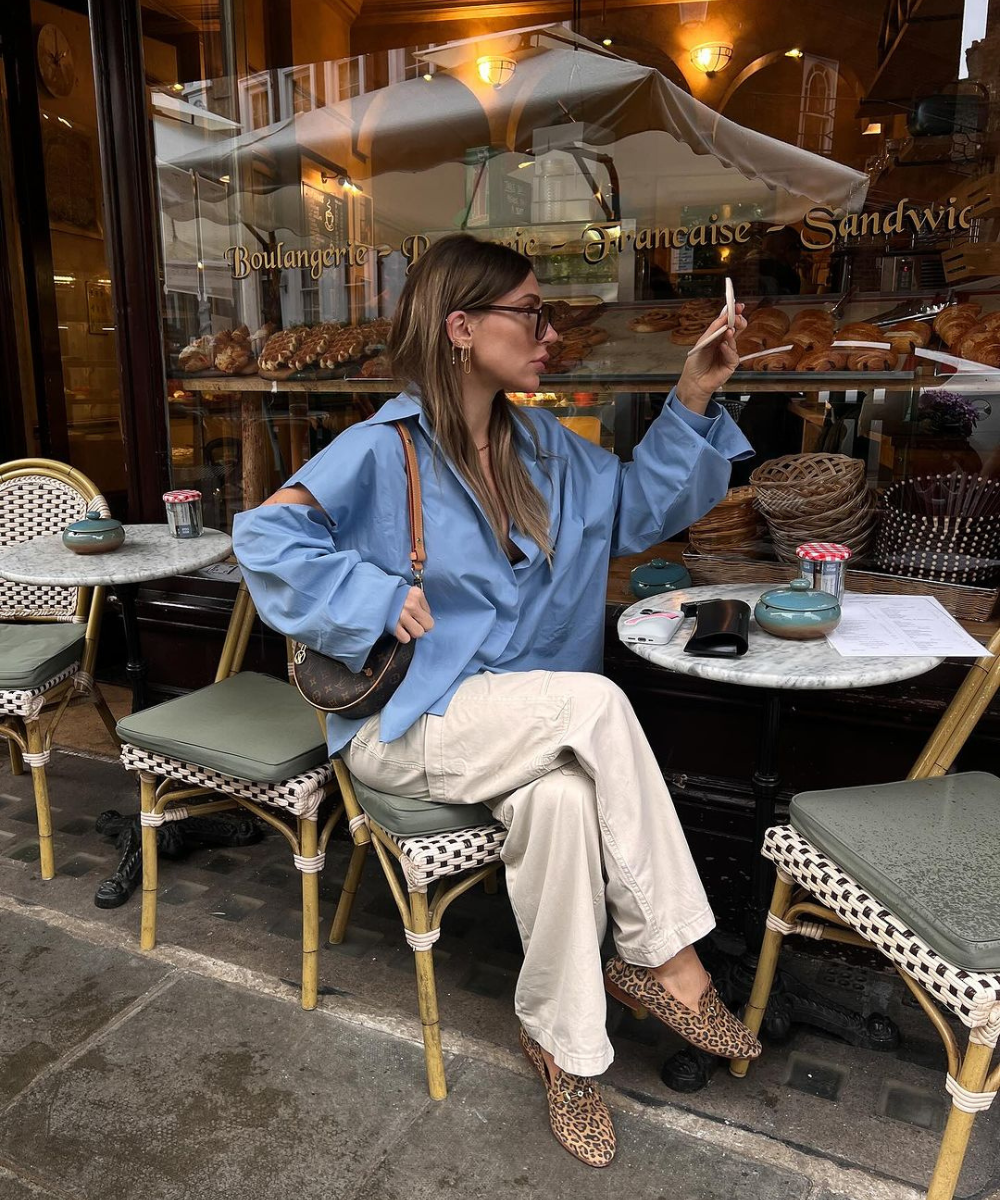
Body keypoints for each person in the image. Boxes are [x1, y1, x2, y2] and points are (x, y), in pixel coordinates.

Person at [232, 233, 758, 1169]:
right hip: (411, 724)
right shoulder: (380, 450)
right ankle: (667, 962)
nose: (549, 331)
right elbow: (265, 542)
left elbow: (635, 507)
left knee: (560, 802)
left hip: (516, 722)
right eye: (530, 312)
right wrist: (376, 598)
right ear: (461, 326)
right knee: (595, 705)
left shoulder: (539, 444)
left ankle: (565, 1049)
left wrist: (694, 392)